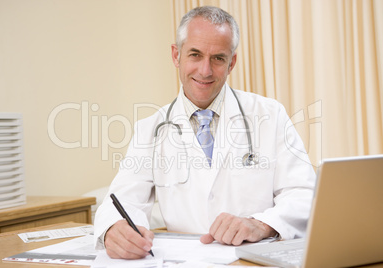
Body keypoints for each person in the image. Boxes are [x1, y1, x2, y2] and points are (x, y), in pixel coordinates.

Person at [94, 6, 316, 260]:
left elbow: (304, 193)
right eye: (195, 55)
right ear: (176, 56)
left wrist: (262, 224)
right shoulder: (150, 130)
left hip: (253, 261)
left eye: (218, 58)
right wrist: (114, 230)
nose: (205, 70)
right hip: (185, 262)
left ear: (232, 62)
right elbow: (121, 201)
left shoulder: (270, 114)